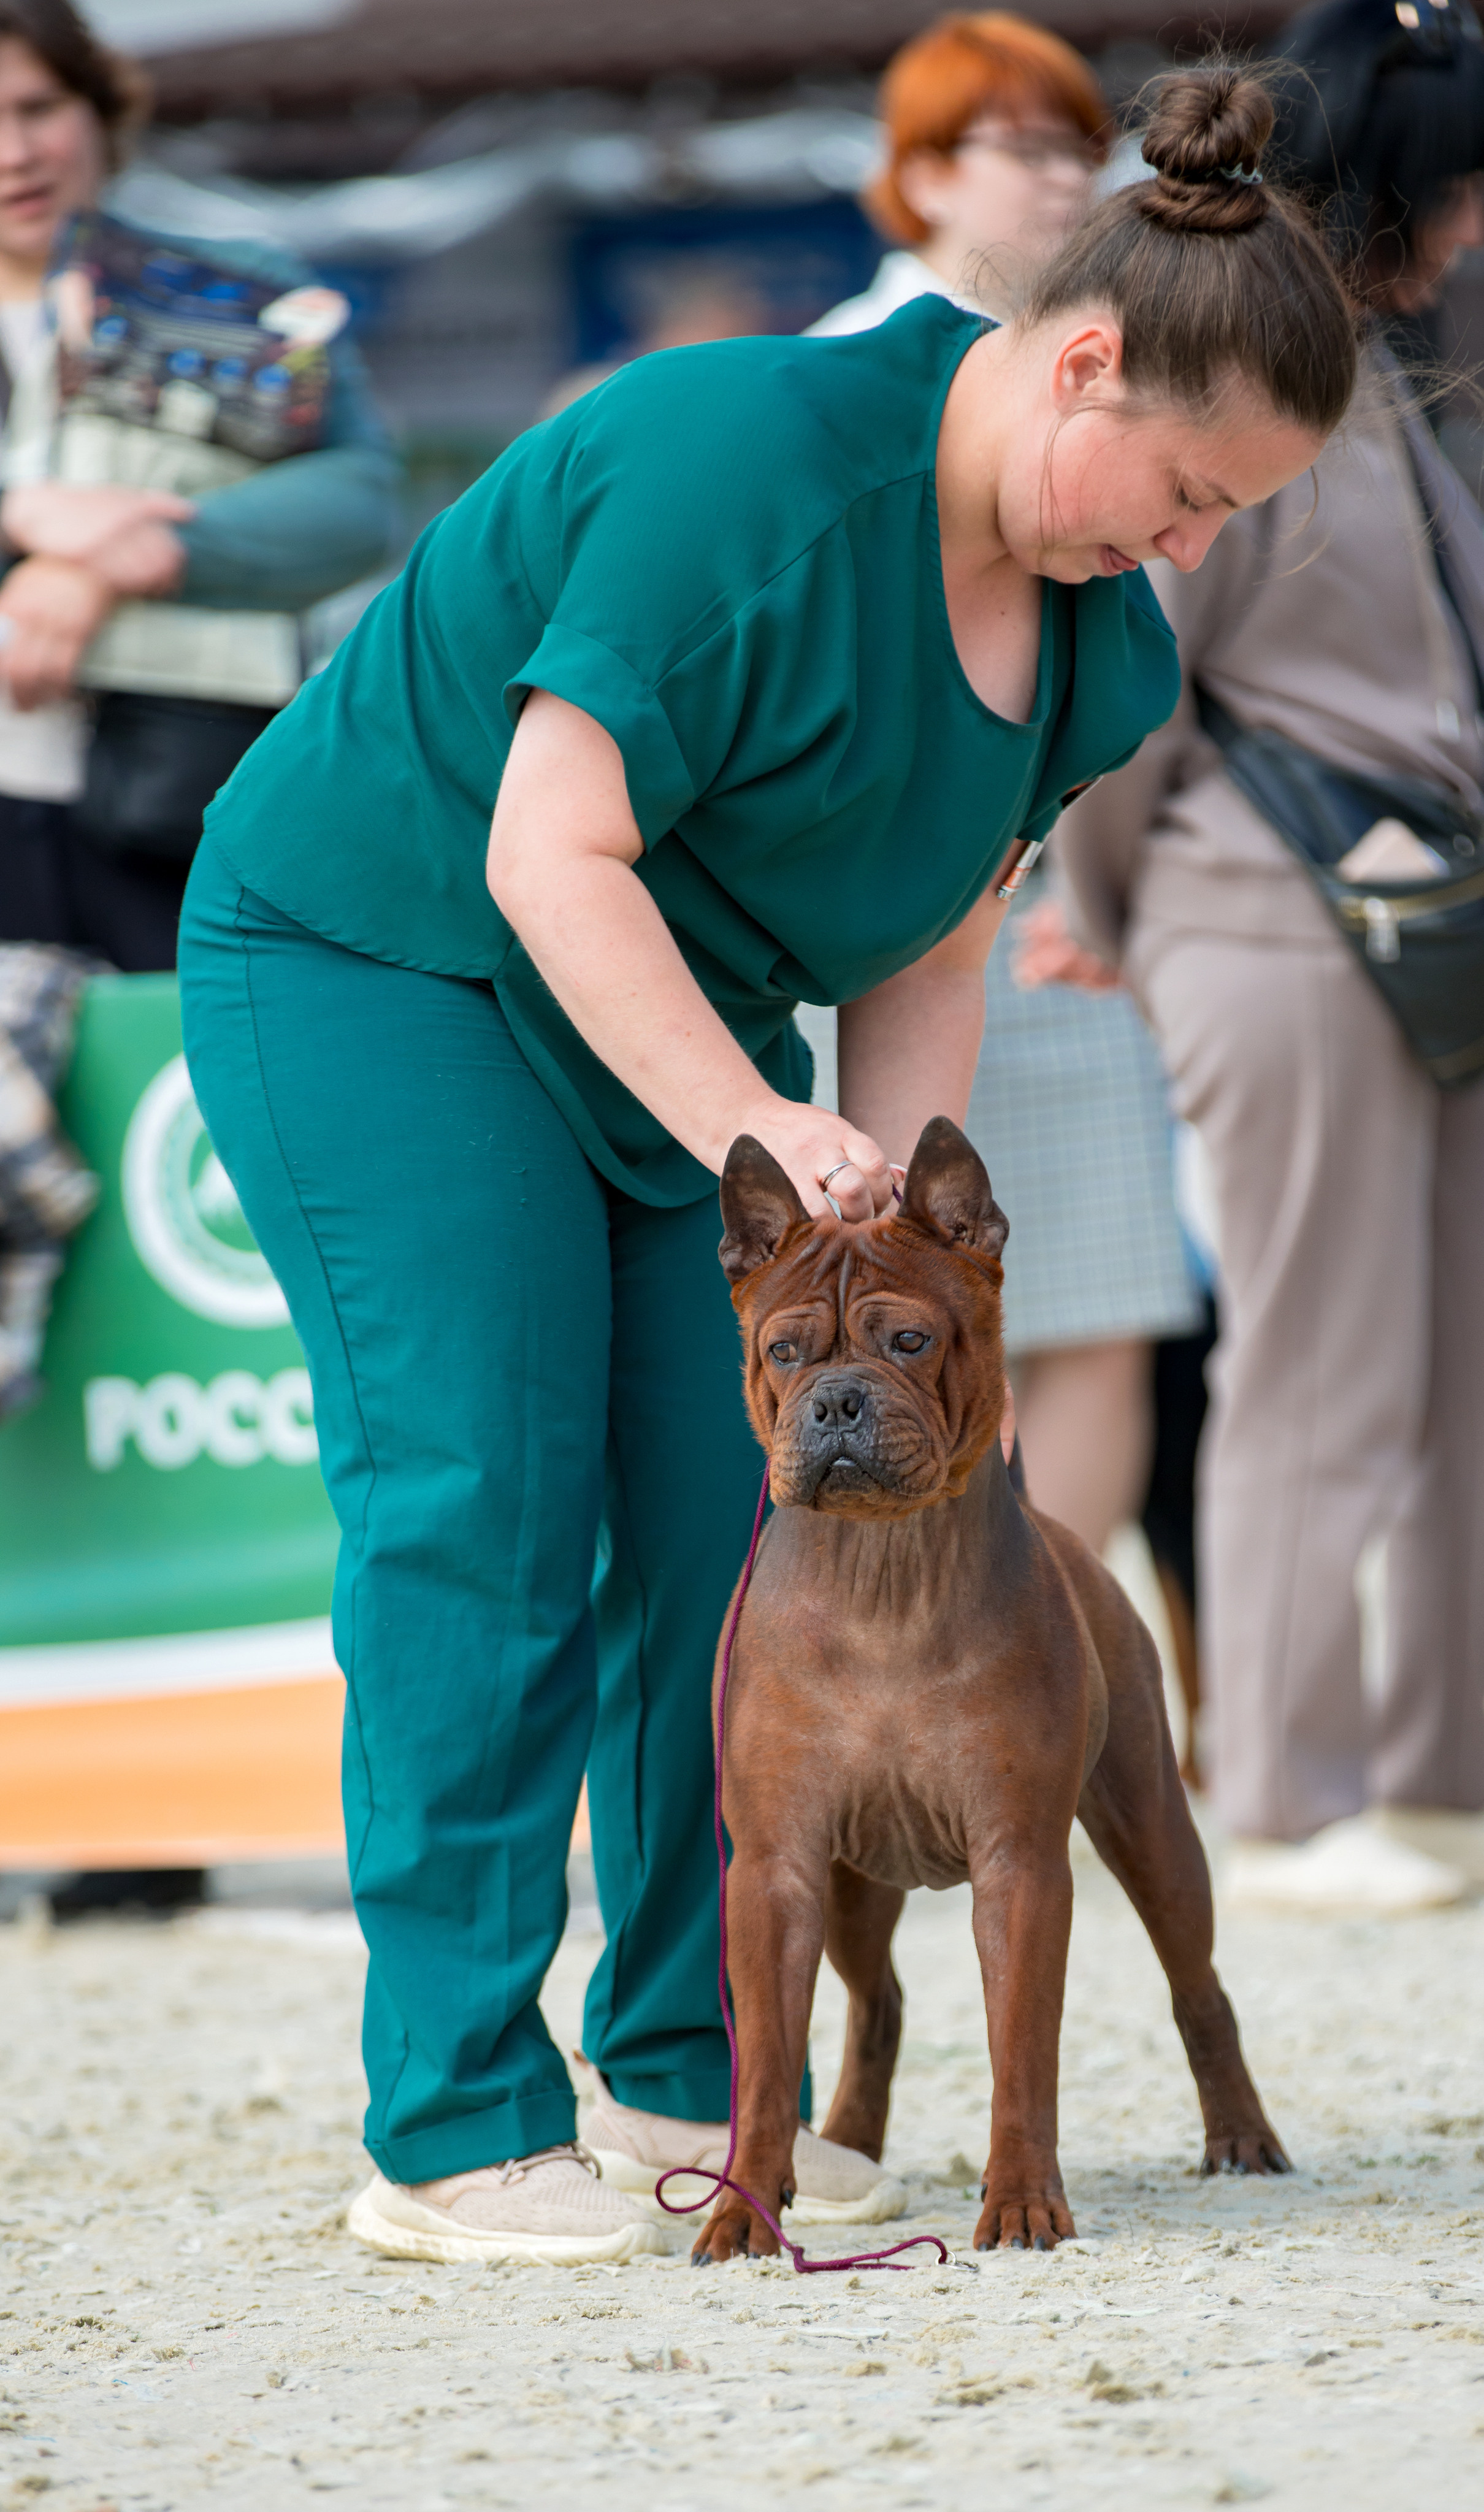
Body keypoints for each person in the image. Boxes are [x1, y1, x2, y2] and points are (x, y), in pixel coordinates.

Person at [177, 67, 1354, 2267]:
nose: (1188, 550)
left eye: (1226, 524)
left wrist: (884, 1193)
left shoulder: (1099, 632)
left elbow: (929, 927)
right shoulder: (752, 466)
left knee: (706, 1526)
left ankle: (677, 2078)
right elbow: (551, 844)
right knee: (485, 1509)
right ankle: (445, 2123)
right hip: (388, 948)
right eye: (1188, 491)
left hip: (665, 1019)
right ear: (1082, 360)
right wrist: (754, 1115)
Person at [1052, 0, 1484, 1913]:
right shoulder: (1253, 359)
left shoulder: (1406, 357)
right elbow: (1133, 683)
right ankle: (1297, 1798)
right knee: (1318, 1359)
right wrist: (1108, 911)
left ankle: (1443, 1780)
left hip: (1422, 899)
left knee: (1453, 1358)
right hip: (1264, 896)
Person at [809, 10, 1206, 1563]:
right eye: (1020, 146)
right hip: (891, 911)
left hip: (1072, 905)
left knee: (1103, 1301)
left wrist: (1113, 894)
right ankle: (961, 1642)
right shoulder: (849, 360)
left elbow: (1140, 664)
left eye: (1075, 145)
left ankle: (1071, 1651)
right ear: (918, 173)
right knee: (915, 1312)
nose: (1060, 179)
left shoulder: (1131, 369)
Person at [0, 0, 400, 973]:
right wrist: (22, 519)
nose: (14, 152)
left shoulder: (240, 288)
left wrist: (122, 562)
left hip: (182, 790)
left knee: (175, 1099)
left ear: (100, 110)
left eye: (38, 107)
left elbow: (357, 501)